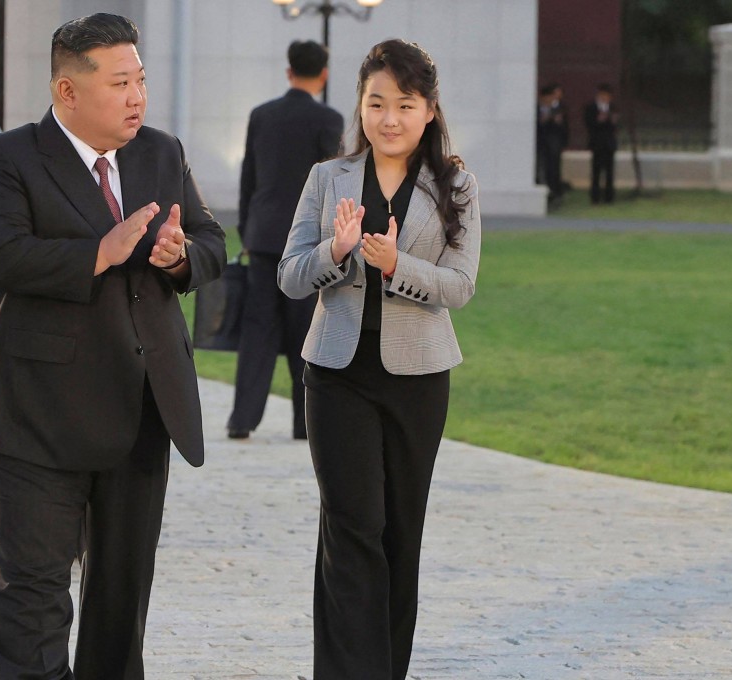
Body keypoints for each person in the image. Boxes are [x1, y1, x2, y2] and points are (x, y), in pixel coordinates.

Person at [0, 13, 226, 680]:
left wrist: (178, 256)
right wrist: (97, 253)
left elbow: (212, 244)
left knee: (120, 602)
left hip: (140, 409)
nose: (137, 96)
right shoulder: (5, 158)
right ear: (68, 92)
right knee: (32, 594)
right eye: (120, 83)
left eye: (140, 80)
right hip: (36, 417)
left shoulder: (161, 152)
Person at [278, 39, 481, 679]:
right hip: (336, 377)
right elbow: (288, 276)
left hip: (418, 380)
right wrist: (336, 254)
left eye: (404, 104)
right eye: (376, 103)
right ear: (359, 106)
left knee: (399, 533)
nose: (388, 118)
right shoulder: (326, 178)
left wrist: (397, 266)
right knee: (350, 527)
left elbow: (460, 285)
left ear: (427, 110)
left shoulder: (457, 184)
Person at [227, 40, 344, 441]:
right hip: (306, 244)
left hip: (261, 237)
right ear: (324, 74)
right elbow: (332, 184)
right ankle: (303, 423)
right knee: (304, 333)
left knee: (256, 332)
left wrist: (247, 230)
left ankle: (242, 419)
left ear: (288, 70)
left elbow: (249, 179)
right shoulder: (329, 119)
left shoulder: (262, 115)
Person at [584, 83, 618, 204]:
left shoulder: (613, 107)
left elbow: (616, 126)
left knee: (609, 171)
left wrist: (613, 121)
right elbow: (589, 124)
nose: (605, 98)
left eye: (607, 96)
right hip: (597, 142)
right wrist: (598, 120)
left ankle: (609, 197)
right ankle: (595, 197)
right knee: (596, 171)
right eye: (603, 95)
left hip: (609, 143)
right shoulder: (591, 107)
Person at [536, 83, 566, 205]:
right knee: (540, 170)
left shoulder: (558, 110)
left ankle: (556, 194)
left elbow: (564, 129)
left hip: (554, 145)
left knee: (554, 170)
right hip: (540, 145)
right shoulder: (537, 110)